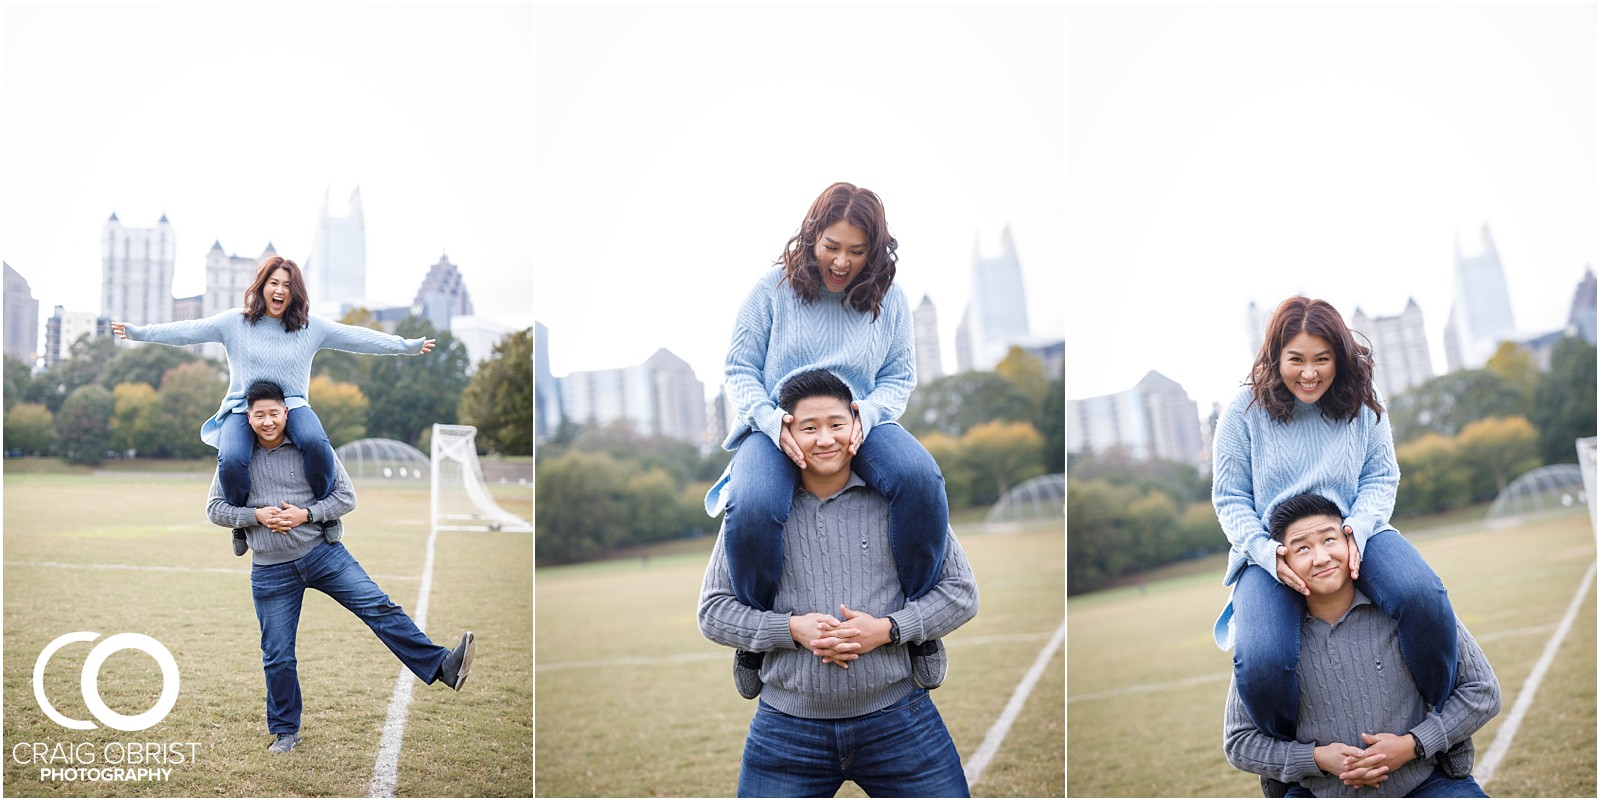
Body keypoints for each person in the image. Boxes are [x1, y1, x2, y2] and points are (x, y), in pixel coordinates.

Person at [705, 182, 949, 699]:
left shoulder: (891, 300)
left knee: (920, 478)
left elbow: (899, 376)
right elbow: (739, 368)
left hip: (859, 422)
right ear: (811, 237)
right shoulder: (772, 289)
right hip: (778, 425)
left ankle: (920, 628)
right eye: (831, 246)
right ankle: (756, 636)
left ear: (875, 251)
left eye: (857, 251)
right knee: (751, 504)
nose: (842, 261)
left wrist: (869, 416)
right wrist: (773, 423)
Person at [698, 370, 978, 797]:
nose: (825, 439)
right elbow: (713, 611)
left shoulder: (901, 501)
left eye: (835, 424)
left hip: (900, 718)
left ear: (856, 425)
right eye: (808, 428)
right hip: (786, 730)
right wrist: (792, 630)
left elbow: (961, 593)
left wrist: (887, 630)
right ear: (786, 433)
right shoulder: (758, 510)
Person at [1212, 296, 1459, 749]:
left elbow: (1381, 475)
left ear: (1339, 357)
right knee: (1263, 657)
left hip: (1354, 531)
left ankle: (1439, 724)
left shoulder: (1364, 400)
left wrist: (1357, 530)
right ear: (1275, 357)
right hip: (1272, 548)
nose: (1309, 373)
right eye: (1296, 360)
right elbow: (1229, 499)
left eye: (1322, 359)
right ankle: (1288, 756)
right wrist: (1267, 555)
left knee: (1422, 595)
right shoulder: (1242, 410)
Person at [207, 380, 473, 754]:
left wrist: (307, 514)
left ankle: (443, 666)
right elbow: (215, 508)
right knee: (277, 654)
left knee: (379, 607)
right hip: (270, 569)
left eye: (274, 413)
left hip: (322, 553)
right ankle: (286, 731)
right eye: (259, 415)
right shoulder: (235, 460)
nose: (267, 422)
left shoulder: (312, 449)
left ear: (287, 412)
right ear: (247, 417)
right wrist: (254, 515)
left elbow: (346, 496)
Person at [114, 255, 434, 557]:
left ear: (295, 293)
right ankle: (241, 522)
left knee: (314, 442)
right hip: (243, 408)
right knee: (233, 457)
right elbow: (186, 330)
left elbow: (357, 337)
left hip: (292, 405)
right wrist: (138, 332)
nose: (280, 290)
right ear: (262, 286)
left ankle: (325, 515)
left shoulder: (311, 327)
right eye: (274, 283)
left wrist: (406, 346)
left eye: (287, 285)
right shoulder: (233, 323)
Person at [1223, 493, 1500, 797]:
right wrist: (1316, 759)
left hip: (1425, 781)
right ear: (1282, 561)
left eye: (1329, 540)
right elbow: (1239, 741)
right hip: (1319, 792)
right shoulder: (1268, 639)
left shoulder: (1409, 610)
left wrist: (1413, 745)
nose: (1321, 558)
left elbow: (1482, 690)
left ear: (1350, 541)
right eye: (1302, 548)